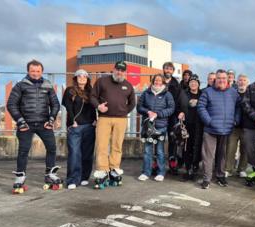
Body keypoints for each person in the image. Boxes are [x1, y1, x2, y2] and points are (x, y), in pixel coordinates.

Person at [7, 59, 61, 194]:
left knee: (52, 148)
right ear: (28, 71)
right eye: (33, 71)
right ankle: (20, 177)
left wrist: (51, 119)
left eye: (38, 71)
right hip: (26, 124)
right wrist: (20, 121)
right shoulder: (20, 86)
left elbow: (55, 104)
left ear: (42, 71)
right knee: (23, 151)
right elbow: (11, 104)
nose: (35, 73)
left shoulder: (48, 85)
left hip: (44, 124)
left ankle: (50, 174)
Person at [90, 61, 136, 189]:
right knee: (102, 145)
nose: (119, 72)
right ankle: (102, 170)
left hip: (121, 120)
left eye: (122, 70)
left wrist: (124, 111)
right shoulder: (102, 82)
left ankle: (114, 168)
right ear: (113, 69)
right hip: (104, 118)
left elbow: (132, 102)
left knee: (117, 145)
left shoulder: (128, 85)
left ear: (125, 72)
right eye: (117, 69)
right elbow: (92, 96)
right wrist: (98, 106)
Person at [197, 69, 241, 189]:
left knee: (222, 155)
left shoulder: (233, 92)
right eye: (219, 78)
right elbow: (201, 107)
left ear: (227, 79)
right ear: (215, 79)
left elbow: (238, 107)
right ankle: (206, 179)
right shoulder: (207, 91)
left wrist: (236, 119)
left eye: (223, 78)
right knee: (208, 155)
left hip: (226, 129)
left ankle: (221, 176)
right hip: (210, 130)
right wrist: (209, 121)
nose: (221, 80)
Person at [62, 69, 97, 190]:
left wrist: (95, 119)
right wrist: (73, 121)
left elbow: (93, 107)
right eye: (79, 76)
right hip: (75, 127)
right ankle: (72, 179)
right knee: (74, 153)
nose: (82, 78)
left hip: (89, 126)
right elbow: (68, 107)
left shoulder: (91, 91)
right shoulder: (69, 91)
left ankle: (84, 177)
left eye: (85, 77)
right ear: (75, 78)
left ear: (87, 79)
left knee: (87, 153)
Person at [137, 74, 175, 182]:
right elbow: (139, 107)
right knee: (147, 150)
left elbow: (171, 108)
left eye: (160, 80)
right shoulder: (146, 93)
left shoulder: (167, 94)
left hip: (161, 127)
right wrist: (148, 112)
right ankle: (146, 172)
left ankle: (161, 172)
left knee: (160, 151)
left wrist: (158, 114)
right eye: (156, 80)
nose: (157, 82)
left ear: (163, 82)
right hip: (148, 126)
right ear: (153, 81)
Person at [163, 62, 188, 175]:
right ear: (163, 69)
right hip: (159, 116)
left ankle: (172, 163)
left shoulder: (176, 84)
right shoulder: (158, 81)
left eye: (170, 69)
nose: (168, 70)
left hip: (172, 116)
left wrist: (181, 111)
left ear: (172, 71)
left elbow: (180, 100)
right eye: (166, 68)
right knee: (157, 139)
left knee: (173, 139)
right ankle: (155, 163)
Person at [225, 74, 248, 178]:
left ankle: (241, 169)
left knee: (245, 149)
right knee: (230, 148)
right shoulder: (232, 94)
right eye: (240, 80)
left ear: (247, 83)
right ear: (237, 82)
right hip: (233, 126)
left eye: (244, 80)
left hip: (246, 127)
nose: (242, 82)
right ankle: (228, 169)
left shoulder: (250, 94)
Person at [182, 74, 204, 181]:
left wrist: (198, 103)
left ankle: (195, 167)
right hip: (187, 125)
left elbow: (207, 105)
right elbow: (179, 106)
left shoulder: (202, 94)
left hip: (199, 125)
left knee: (197, 146)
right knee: (187, 147)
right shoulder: (184, 94)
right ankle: (188, 168)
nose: (193, 84)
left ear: (198, 84)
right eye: (191, 82)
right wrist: (181, 112)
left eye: (195, 82)